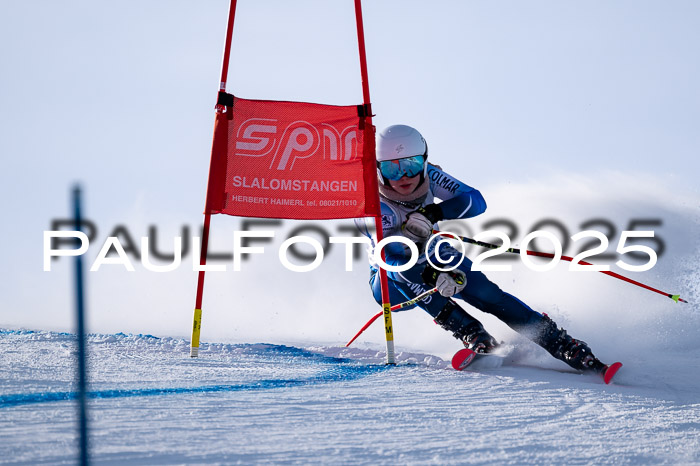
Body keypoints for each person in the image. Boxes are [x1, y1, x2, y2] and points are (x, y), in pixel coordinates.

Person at [363, 124, 607, 373]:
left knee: (485, 292)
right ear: (379, 170)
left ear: (424, 161)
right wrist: (433, 276)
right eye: (392, 168)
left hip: (433, 252)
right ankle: (473, 334)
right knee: (403, 276)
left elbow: (476, 200)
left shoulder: (431, 176)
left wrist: (434, 211)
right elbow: (387, 256)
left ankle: (562, 343)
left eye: (412, 164)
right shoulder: (370, 201)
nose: (404, 175)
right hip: (390, 282)